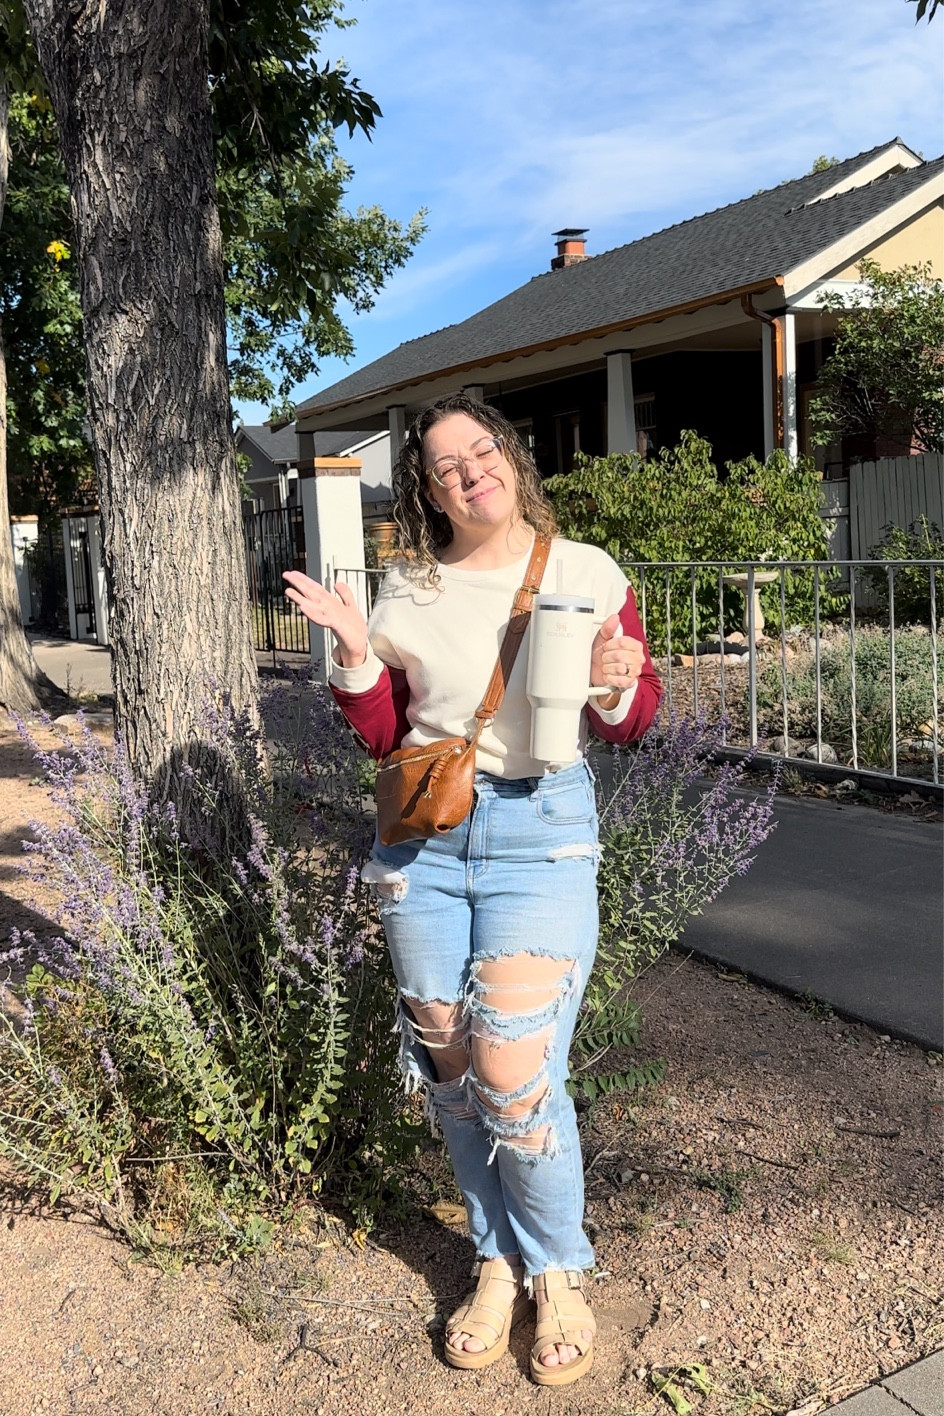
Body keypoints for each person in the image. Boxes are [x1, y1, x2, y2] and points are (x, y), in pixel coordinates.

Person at [284, 394, 662, 1387]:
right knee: (450, 1070)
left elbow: (628, 720)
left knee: (510, 1069)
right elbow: (382, 735)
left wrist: (615, 675)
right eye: (444, 464)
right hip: (424, 842)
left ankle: (558, 1270)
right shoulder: (406, 584)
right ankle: (495, 1262)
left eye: (479, 450)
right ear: (427, 487)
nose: (467, 471)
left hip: (541, 831)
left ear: (508, 458)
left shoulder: (582, 569)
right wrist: (356, 658)